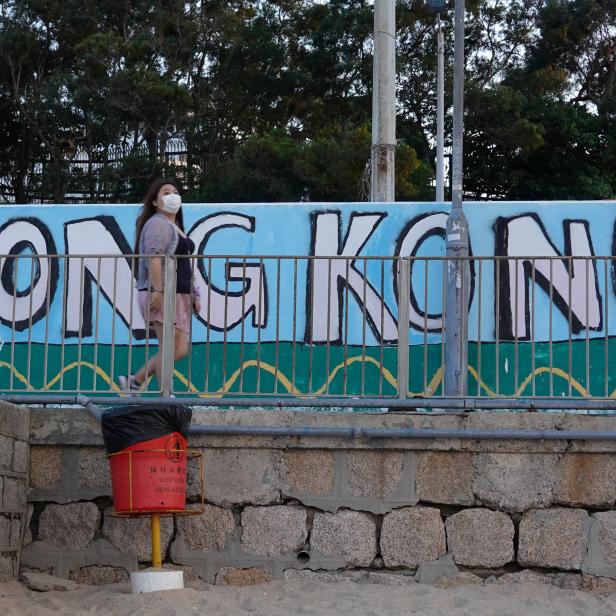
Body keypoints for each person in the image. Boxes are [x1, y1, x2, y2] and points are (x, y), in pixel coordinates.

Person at [118, 178, 201, 392]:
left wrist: (195, 294)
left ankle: (134, 381)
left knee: (180, 349)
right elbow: (153, 257)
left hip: (179, 295)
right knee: (168, 346)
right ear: (155, 201)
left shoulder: (175, 226)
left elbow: (185, 264)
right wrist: (158, 289)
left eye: (175, 191)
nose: (172, 195)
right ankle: (165, 394)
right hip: (163, 292)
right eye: (166, 192)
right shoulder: (157, 223)